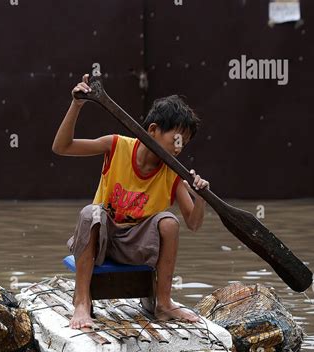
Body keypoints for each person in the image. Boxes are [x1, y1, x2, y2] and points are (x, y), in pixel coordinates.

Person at [52, 74, 210, 329]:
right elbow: (62, 147)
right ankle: (82, 303)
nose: (179, 149)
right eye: (176, 140)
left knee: (169, 222)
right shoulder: (116, 146)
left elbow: (193, 223)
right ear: (153, 131)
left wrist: (201, 198)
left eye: (185, 143)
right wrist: (77, 105)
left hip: (137, 248)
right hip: (103, 241)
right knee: (90, 213)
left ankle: (164, 303)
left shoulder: (173, 173)